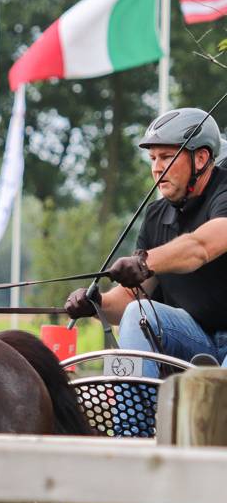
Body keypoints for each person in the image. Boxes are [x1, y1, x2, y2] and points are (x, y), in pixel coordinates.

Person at [65, 108, 227, 431]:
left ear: (200, 158)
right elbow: (130, 298)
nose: (156, 168)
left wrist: (145, 261)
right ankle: (132, 438)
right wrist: (95, 303)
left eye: (167, 157)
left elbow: (202, 247)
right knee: (137, 313)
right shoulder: (156, 216)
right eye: (152, 158)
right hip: (196, 337)